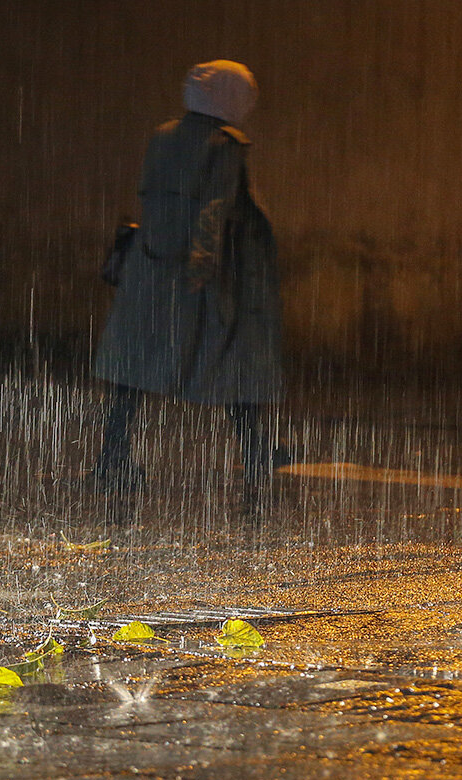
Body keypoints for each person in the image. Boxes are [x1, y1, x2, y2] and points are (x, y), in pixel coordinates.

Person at [91, 60, 287, 500]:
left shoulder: (163, 136)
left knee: (134, 365)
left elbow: (154, 196)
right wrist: (203, 265)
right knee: (235, 357)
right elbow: (215, 207)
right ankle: (255, 452)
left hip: (151, 265)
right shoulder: (225, 145)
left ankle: (113, 454)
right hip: (206, 272)